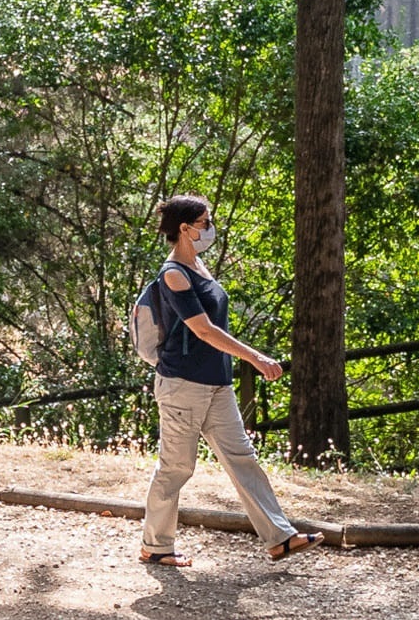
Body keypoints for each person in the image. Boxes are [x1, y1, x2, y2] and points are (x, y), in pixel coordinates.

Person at [138, 194, 322, 567]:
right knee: (176, 468)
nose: (211, 228)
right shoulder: (173, 273)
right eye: (205, 222)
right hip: (183, 385)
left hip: (216, 384)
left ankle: (279, 538)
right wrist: (254, 357)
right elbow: (203, 330)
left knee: (242, 457)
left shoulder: (200, 266)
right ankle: (155, 546)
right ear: (185, 229)